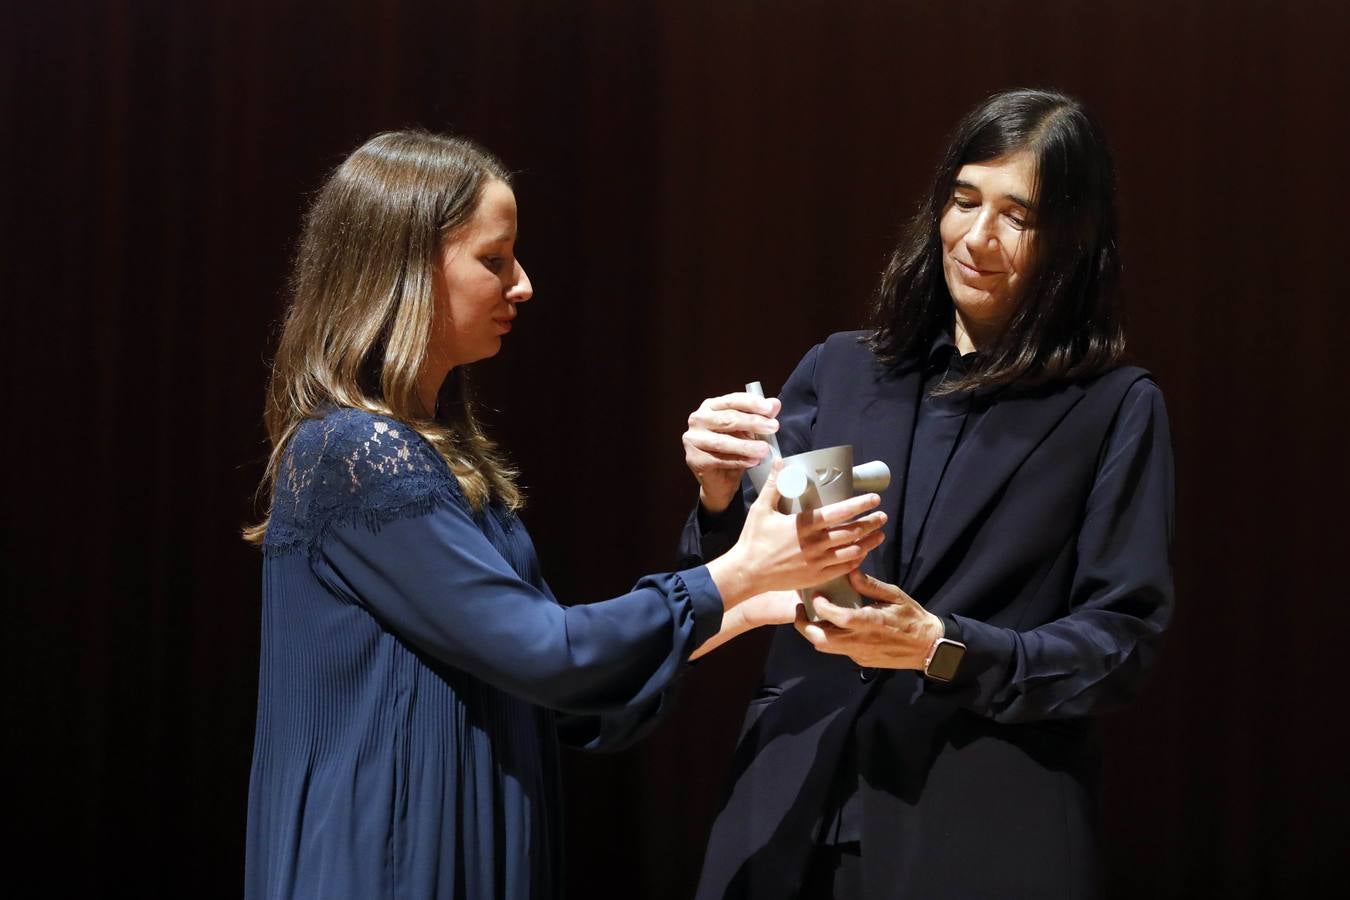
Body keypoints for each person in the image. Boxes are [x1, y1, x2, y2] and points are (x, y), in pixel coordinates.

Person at [241, 130, 886, 899]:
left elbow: (570, 698)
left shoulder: (426, 456)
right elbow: (548, 652)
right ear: (406, 266)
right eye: (495, 258)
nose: (523, 286)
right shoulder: (352, 453)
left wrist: (745, 603)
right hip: (383, 862)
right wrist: (736, 572)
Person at [679, 89, 1175, 898]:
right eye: (964, 200)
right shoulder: (842, 368)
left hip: (981, 831)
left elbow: (1120, 644)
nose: (977, 237)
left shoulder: (1113, 407)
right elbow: (754, 571)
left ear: (1071, 241)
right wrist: (719, 491)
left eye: (1018, 217)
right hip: (788, 807)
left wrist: (943, 648)